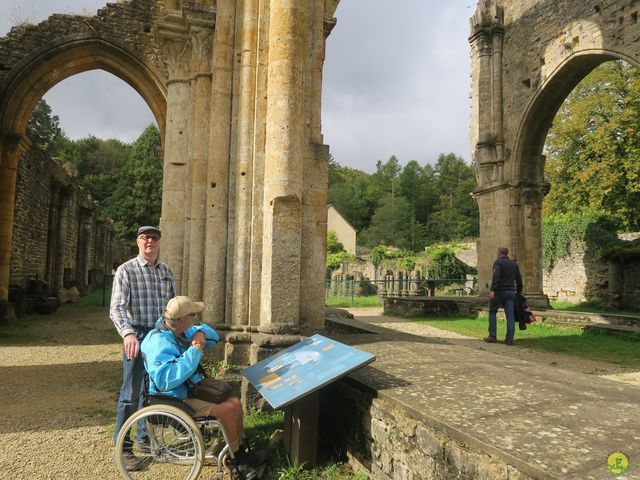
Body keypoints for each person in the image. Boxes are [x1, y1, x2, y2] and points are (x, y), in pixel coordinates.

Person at [141, 296, 264, 480]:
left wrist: (200, 333)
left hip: (188, 389)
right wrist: (194, 351)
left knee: (235, 402)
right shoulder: (157, 342)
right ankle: (236, 461)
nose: (196, 319)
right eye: (193, 316)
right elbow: (165, 380)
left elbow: (214, 337)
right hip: (174, 398)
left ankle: (238, 449)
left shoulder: (178, 331)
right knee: (229, 409)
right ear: (182, 320)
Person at [110, 225, 175, 470]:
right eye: (145, 238)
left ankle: (144, 439)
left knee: (150, 391)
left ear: (159, 243)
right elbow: (116, 308)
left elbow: (171, 308)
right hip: (136, 334)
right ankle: (123, 447)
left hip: (158, 336)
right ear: (138, 242)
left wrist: (177, 333)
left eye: (154, 238)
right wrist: (127, 334)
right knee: (130, 391)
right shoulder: (126, 270)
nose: (150, 242)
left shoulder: (166, 271)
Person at [484, 246, 523, 346]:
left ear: (499, 253)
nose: (496, 253)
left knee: (492, 312)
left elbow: (496, 277)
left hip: (500, 291)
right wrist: (518, 292)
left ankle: (492, 336)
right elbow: (519, 280)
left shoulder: (498, 263)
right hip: (511, 292)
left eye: (496, 252)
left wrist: (492, 290)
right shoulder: (514, 264)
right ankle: (509, 339)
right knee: (510, 316)